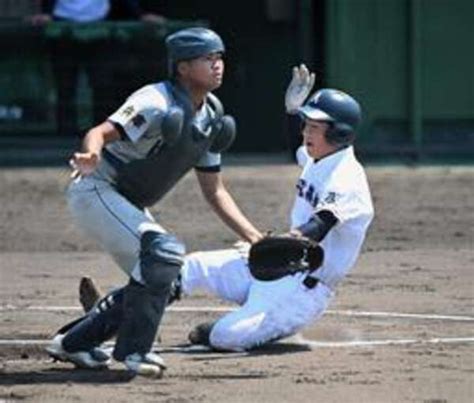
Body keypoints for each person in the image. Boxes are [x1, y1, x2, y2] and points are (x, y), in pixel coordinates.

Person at [46, 27, 262, 377]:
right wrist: (90, 155)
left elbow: (215, 192)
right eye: (208, 58)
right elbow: (100, 132)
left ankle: (74, 342)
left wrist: (256, 238)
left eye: (220, 57)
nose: (218, 64)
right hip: (96, 188)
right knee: (162, 254)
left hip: (126, 201)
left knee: (170, 277)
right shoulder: (154, 101)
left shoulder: (211, 116)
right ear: (182, 67)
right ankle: (134, 353)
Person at [173, 65, 375, 351]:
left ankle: (218, 331)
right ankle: (119, 314)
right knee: (189, 267)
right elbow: (299, 147)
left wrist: (275, 247)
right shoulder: (319, 157)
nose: (306, 133)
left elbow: (318, 227)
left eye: (314, 128)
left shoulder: (347, 181)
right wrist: (293, 113)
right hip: (280, 266)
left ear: (339, 134)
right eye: (306, 126)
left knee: (225, 337)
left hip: (302, 293)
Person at [30, 0, 165, 136]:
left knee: (102, 83)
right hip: (62, 27)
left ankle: (100, 133)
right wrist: (45, 13)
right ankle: (65, 135)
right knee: (65, 86)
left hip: (101, 28)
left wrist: (140, 15)